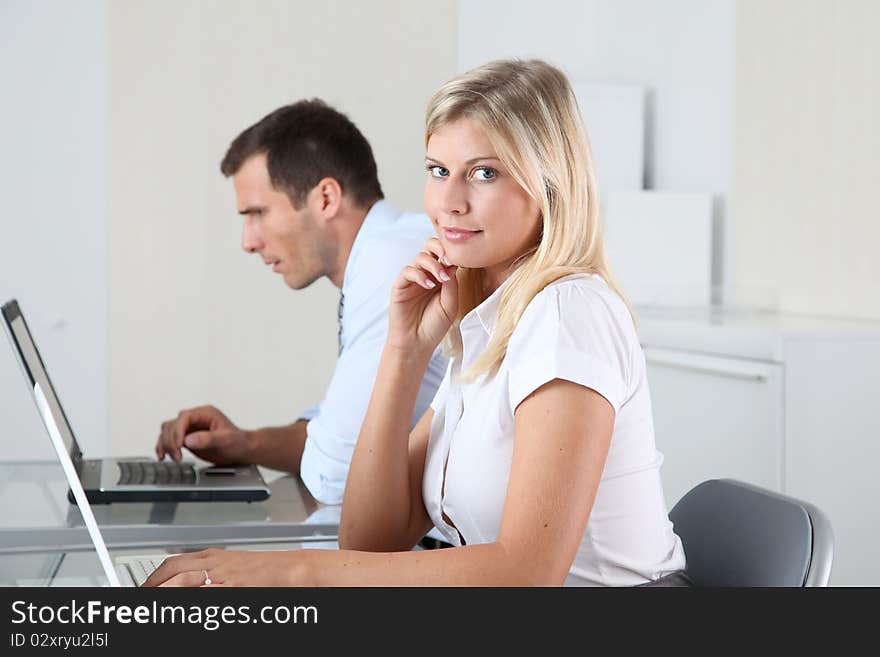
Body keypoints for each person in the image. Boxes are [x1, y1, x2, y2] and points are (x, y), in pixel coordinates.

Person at [145, 59, 689, 587]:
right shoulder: (487, 326)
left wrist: (291, 572)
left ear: (550, 183)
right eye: (437, 171)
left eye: (484, 173)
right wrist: (404, 351)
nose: (449, 202)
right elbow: (367, 539)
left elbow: (527, 575)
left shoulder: (569, 313)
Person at [154, 99, 447, 506]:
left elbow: (337, 474)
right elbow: (340, 437)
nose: (248, 242)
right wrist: (246, 444)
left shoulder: (391, 264)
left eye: (258, 213)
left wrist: (323, 446)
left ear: (326, 198)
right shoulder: (384, 251)